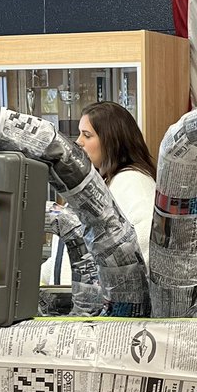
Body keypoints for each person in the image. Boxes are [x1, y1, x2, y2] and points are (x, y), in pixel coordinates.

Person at [41, 101, 157, 283]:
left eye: (87, 135)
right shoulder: (100, 182)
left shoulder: (134, 183)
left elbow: (143, 251)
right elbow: (64, 255)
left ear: (113, 141)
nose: (78, 142)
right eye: (80, 134)